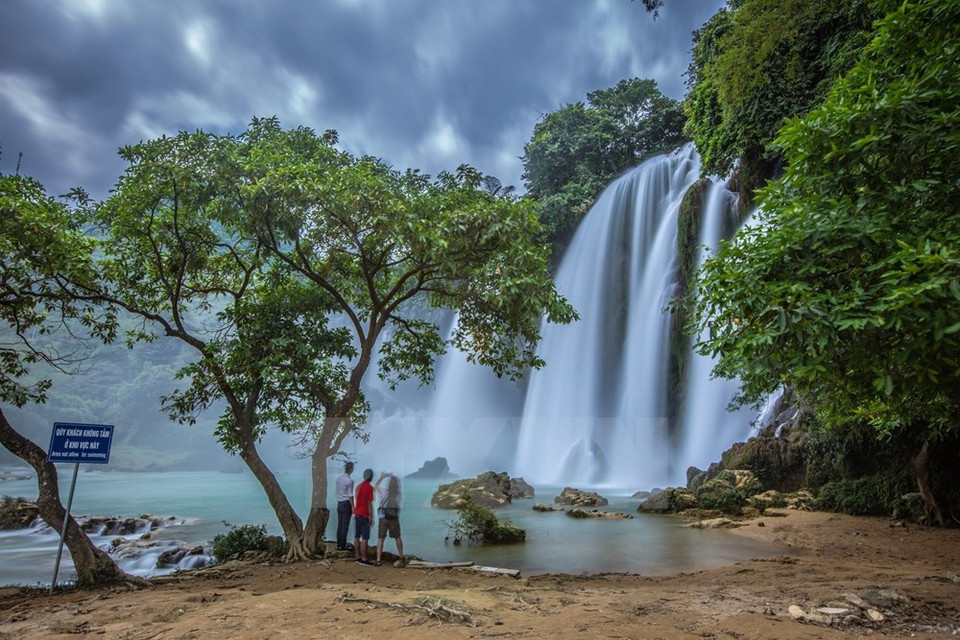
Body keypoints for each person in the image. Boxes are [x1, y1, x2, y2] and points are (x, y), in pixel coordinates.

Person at [374, 471, 404, 567]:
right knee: (397, 537)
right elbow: (398, 503)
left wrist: (382, 477)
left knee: (380, 539)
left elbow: (376, 485)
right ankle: (401, 556)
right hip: (394, 518)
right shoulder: (398, 493)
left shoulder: (383, 492)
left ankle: (378, 560)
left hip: (383, 517)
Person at [353, 468, 375, 565]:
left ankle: (357, 556)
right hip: (364, 514)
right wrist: (371, 516)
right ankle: (364, 558)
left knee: (357, 536)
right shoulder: (369, 488)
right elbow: (369, 503)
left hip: (357, 513)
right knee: (365, 537)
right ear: (371, 477)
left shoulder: (358, 486)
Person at [335, 461, 355, 551]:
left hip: (339, 503)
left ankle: (339, 544)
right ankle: (342, 546)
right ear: (351, 469)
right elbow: (350, 495)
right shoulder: (349, 481)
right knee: (345, 526)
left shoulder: (339, 479)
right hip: (346, 503)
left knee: (340, 525)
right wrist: (353, 507)